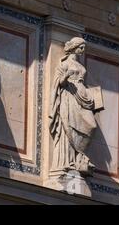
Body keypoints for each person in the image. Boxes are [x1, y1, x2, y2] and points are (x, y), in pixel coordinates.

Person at [49, 37, 98, 175]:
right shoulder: (64, 64)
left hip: (83, 97)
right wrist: (65, 76)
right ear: (74, 47)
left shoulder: (81, 66)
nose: (83, 50)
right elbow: (59, 82)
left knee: (91, 126)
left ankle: (80, 154)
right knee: (68, 126)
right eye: (81, 47)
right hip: (69, 96)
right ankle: (70, 161)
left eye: (83, 47)